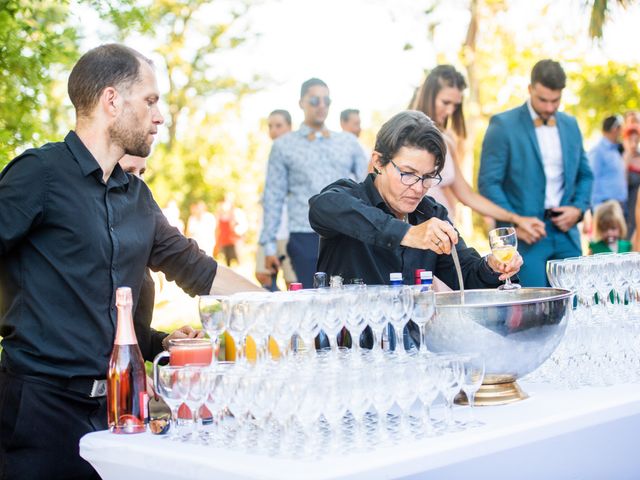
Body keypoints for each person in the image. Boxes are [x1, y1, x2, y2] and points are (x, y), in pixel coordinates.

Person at [0, 44, 262, 480]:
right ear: (111, 101)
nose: (160, 116)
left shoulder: (137, 197)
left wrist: (286, 309)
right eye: (151, 100)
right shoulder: (38, 174)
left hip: (118, 411)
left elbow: (199, 270)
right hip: (37, 413)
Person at [309, 110, 522, 296]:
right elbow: (322, 207)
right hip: (349, 340)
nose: (419, 188)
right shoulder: (349, 196)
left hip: (411, 339)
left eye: (429, 176)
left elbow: (466, 276)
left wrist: (492, 266)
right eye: (408, 174)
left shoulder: (431, 213)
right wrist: (408, 234)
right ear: (378, 162)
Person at [479, 59, 593, 287]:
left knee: (578, 305)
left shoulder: (571, 124)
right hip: (525, 239)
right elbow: (488, 183)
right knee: (532, 313)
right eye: (543, 100)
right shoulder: (503, 125)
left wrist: (578, 209)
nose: (550, 108)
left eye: (556, 100)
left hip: (567, 234)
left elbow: (585, 175)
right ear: (530, 89)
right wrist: (514, 224)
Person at [412, 65, 546, 238]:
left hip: (444, 230)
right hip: (418, 232)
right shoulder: (405, 135)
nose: (451, 111)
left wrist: (517, 219)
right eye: (446, 102)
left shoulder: (446, 139)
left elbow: (468, 196)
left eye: (456, 105)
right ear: (429, 95)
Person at [259, 78, 368, 288]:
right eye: (315, 100)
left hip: (346, 232)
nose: (322, 105)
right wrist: (269, 245)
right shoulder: (283, 146)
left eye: (326, 100)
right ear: (301, 102)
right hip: (304, 235)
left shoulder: (348, 142)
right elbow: (273, 196)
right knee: (312, 301)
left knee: (349, 302)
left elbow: (368, 186)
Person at [255, 109, 298, 290]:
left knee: (293, 283)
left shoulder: (297, 156)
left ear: (289, 127)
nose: (274, 130)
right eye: (270, 126)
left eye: (279, 126)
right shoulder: (269, 158)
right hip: (269, 232)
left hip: (290, 231)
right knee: (262, 275)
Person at [588, 115, 626, 212]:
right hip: (604, 207)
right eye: (620, 128)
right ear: (614, 129)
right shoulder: (598, 151)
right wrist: (596, 209)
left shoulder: (615, 150)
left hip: (619, 206)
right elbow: (592, 180)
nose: (622, 132)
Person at [215, 192, 247, 267]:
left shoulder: (237, 212)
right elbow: (218, 228)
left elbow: (243, 226)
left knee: (238, 260)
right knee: (227, 261)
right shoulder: (220, 214)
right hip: (225, 240)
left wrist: (237, 230)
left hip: (235, 240)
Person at [624, 123, 640, 239]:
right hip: (626, 205)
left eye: (636, 140)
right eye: (630, 140)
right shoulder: (621, 157)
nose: (634, 144)